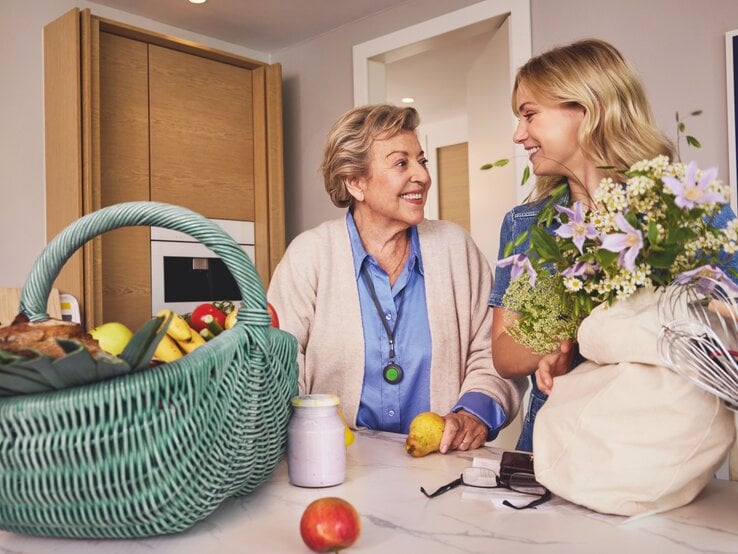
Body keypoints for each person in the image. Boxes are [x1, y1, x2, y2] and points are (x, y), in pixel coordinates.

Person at [489, 38, 738, 452]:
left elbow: (729, 325)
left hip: (664, 449)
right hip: (554, 446)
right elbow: (504, 353)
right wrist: (562, 340)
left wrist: (607, 325)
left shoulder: (690, 212)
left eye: (529, 115)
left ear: (585, 110)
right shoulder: (524, 225)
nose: (519, 135)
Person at [268, 104, 525, 453]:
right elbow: (277, 361)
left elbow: (494, 352)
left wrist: (473, 413)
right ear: (356, 182)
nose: (422, 175)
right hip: (337, 461)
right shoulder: (310, 255)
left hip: (440, 462)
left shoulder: (455, 247)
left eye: (422, 160)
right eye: (401, 163)